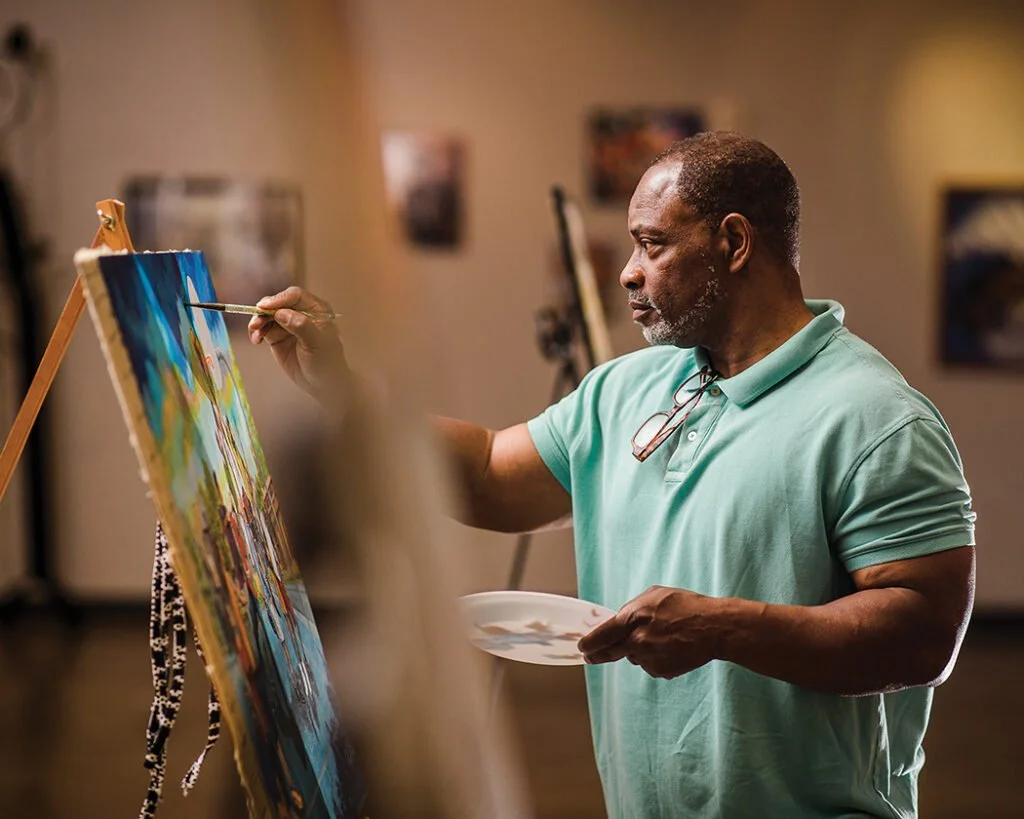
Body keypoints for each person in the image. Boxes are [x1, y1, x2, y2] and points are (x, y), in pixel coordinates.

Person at [249, 131, 976, 819]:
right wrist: (346, 389)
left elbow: (921, 632)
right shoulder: (623, 388)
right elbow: (484, 473)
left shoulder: (876, 417)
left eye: (652, 243)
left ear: (732, 242)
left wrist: (723, 627)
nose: (627, 270)